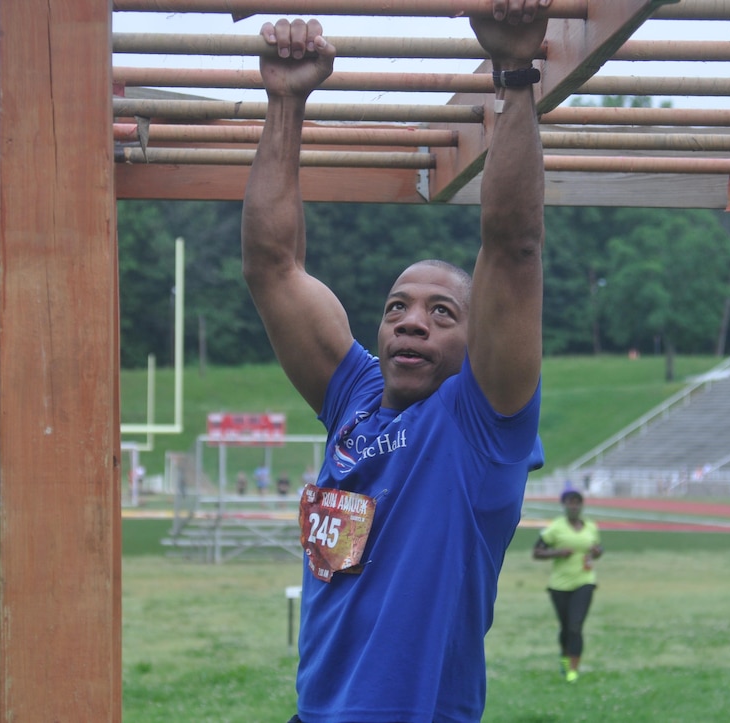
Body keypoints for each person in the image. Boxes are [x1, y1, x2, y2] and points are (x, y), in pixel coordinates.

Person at [240, 2, 550, 720]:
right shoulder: (354, 398)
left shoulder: (481, 423)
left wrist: (515, 74)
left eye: (442, 313)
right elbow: (272, 266)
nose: (411, 321)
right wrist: (285, 101)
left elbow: (513, 247)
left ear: (479, 342)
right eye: (396, 306)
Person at [533, 489, 603, 683]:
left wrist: (597, 552)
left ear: (582, 505)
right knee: (565, 626)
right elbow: (537, 552)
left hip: (585, 580)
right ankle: (564, 656)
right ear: (564, 505)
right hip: (560, 584)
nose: (574, 506)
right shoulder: (555, 528)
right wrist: (558, 553)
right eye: (570, 503)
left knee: (575, 626)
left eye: (577, 503)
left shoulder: (591, 526)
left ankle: (573, 669)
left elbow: (598, 548)